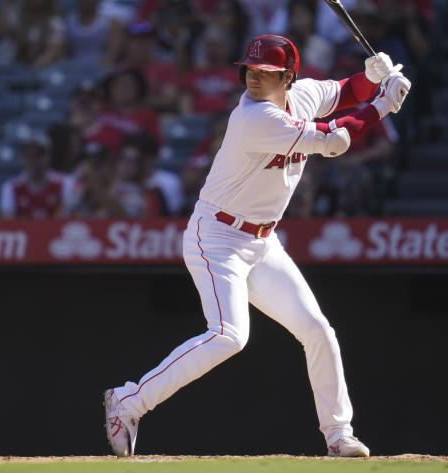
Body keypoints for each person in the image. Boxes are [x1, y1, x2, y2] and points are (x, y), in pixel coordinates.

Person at [104, 34, 410, 457]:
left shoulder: (301, 96)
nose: (252, 78)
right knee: (230, 335)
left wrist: (369, 78)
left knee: (318, 331)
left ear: (287, 76)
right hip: (216, 237)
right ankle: (128, 401)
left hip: (263, 241)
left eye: (264, 72)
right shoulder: (254, 117)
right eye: (249, 69)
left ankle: (339, 435)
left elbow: (340, 94)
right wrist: (384, 103)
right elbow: (335, 139)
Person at [0, 131, 70, 219]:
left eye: (38, 154)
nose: (33, 159)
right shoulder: (11, 187)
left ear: (49, 156)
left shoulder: (65, 183)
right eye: (28, 154)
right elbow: (7, 224)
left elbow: (70, 219)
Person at [0, 0, 66, 68]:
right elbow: (1, 32)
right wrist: (8, 3)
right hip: (18, 65)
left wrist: (35, 67)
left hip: (44, 68)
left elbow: (54, 50)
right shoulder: (18, 15)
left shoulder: (55, 20)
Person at [65, 0, 125, 68]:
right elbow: (63, 52)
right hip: (72, 67)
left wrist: (97, 69)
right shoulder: (68, 21)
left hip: (102, 68)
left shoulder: (112, 22)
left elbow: (113, 53)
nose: (86, 2)